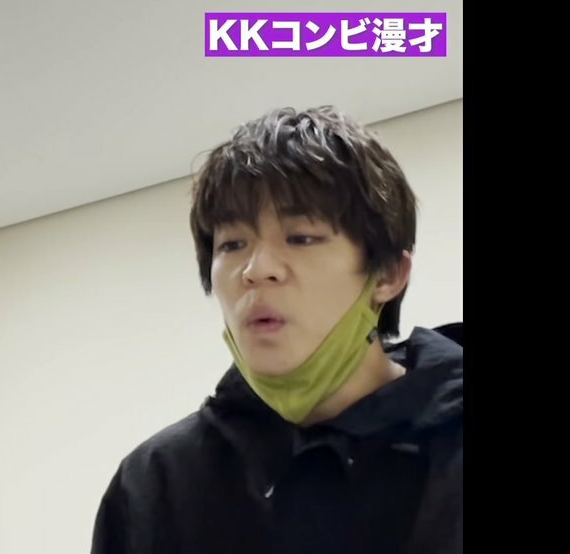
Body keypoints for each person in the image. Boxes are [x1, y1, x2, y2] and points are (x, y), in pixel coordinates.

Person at [90, 106, 463, 554]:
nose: (255, 269)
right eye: (232, 244)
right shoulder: (156, 483)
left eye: (300, 237)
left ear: (386, 274)